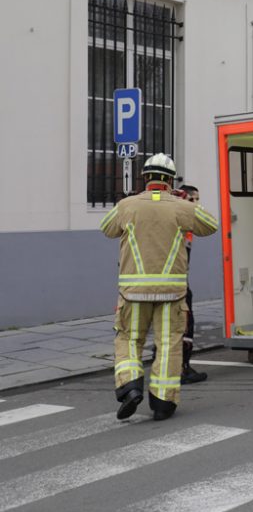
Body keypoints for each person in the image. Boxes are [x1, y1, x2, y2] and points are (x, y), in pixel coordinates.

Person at [100, 154, 218, 421]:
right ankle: (163, 403)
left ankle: (130, 387)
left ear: (145, 177)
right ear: (170, 180)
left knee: (129, 339)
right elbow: (211, 225)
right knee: (168, 344)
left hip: (132, 293)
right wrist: (183, 202)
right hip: (171, 293)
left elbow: (106, 228)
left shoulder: (126, 206)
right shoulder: (181, 207)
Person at [176, 184, 208, 385]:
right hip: (176, 283)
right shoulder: (178, 220)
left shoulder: (186, 223)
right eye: (191, 200)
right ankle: (183, 368)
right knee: (185, 326)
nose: (195, 204)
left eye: (197, 200)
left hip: (179, 280)